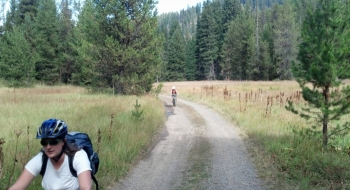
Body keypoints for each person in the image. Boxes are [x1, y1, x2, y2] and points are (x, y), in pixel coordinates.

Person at [9, 118, 92, 190]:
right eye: (44, 143)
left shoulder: (78, 156)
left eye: (53, 142)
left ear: (63, 141)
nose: (48, 147)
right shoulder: (41, 160)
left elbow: (85, 188)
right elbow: (17, 187)